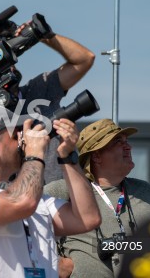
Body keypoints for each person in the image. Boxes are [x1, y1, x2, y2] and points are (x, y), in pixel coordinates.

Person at [0, 104, 101, 278]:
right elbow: (22, 202)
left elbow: (87, 219)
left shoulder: (31, 195)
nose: (24, 139)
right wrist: (34, 153)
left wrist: (67, 157)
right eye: (16, 134)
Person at [44, 119, 150, 278]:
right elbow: (26, 229)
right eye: (117, 142)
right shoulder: (65, 190)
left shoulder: (145, 190)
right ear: (96, 156)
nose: (128, 146)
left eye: (126, 141)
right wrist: (58, 264)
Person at [7, 24, 95, 184]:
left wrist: (44, 36)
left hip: (59, 199)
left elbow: (84, 59)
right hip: (14, 202)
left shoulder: (37, 89)